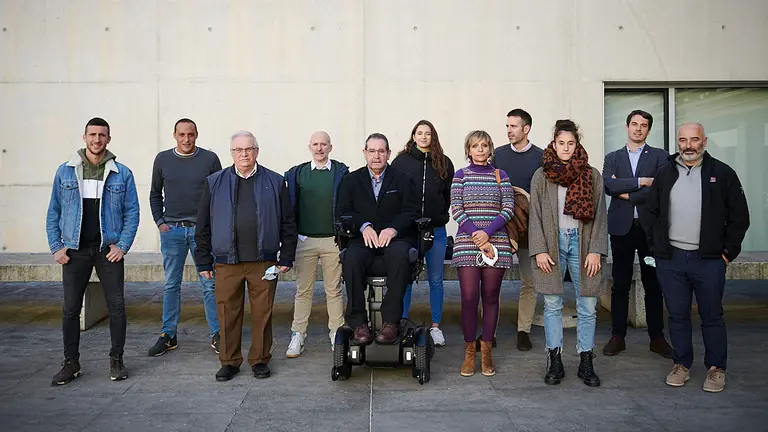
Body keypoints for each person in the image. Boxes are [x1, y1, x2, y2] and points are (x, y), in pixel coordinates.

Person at [642, 123, 749, 393]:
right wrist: (657, 249)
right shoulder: (665, 172)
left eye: (694, 139)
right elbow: (650, 212)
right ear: (677, 142)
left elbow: (739, 216)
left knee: (712, 315)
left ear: (704, 141)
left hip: (709, 260)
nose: (688, 145)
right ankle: (681, 364)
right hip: (672, 260)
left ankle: (716, 368)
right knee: (677, 315)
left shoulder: (722, 173)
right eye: (683, 140)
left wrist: (726, 254)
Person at [194, 130, 297, 382]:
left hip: (264, 261)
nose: (244, 154)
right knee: (227, 312)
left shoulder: (275, 181)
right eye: (238, 150)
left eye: (249, 149)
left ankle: (260, 359)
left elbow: (288, 221)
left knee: (263, 313)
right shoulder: (214, 182)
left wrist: (286, 256)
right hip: (226, 261)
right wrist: (203, 259)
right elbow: (203, 224)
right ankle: (229, 361)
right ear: (231, 153)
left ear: (257, 151)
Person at [46, 117, 140, 385]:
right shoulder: (65, 172)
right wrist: (57, 247)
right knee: (70, 309)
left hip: (107, 250)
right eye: (92, 135)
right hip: (74, 251)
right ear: (84, 137)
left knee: (117, 306)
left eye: (102, 135)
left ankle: (117, 360)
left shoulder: (122, 173)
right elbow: (54, 211)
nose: (97, 139)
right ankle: (71, 362)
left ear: (109, 138)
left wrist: (122, 246)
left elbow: (132, 213)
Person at [528, 119, 608, 387]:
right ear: (553, 144)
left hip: (583, 244)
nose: (565, 148)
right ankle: (555, 359)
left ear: (577, 144)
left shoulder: (592, 175)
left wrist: (595, 250)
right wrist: (539, 249)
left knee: (588, 304)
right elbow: (535, 215)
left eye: (570, 143)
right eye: (561, 143)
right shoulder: (541, 175)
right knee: (552, 304)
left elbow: (600, 214)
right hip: (552, 245)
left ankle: (586, 360)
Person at [148, 118, 223, 357]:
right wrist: (160, 223)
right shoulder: (162, 159)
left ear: (196, 134)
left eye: (190, 134)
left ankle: (218, 333)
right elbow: (155, 194)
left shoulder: (210, 159)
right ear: (175, 135)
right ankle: (168, 334)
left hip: (202, 232)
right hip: (173, 231)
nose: (186, 139)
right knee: (171, 284)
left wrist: (213, 227)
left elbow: (220, 194)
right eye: (182, 135)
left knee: (209, 284)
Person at [601, 110, 672, 358]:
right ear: (627, 126)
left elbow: (660, 188)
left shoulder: (661, 156)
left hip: (650, 230)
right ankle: (618, 336)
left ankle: (657, 337)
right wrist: (642, 180)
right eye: (634, 124)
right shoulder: (613, 157)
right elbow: (608, 185)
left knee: (653, 283)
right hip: (621, 228)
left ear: (649, 130)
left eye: (643, 125)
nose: (638, 129)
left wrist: (626, 192)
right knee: (620, 283)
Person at [337, 133, 420, 345]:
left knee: (400, 255)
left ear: (388, 153)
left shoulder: (403, 180)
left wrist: (393, 229)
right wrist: (363, 226)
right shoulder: (350, 180)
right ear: (364, 153)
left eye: (381, 151)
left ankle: (391, 322)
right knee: (351, 258)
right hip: (362, 240)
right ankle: (359, 323)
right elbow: (343, 212)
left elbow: (411, 211)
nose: (376, 156)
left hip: (395, 241)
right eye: (372, 151)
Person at [451, 130, 515, 378]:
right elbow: (456, 209)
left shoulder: (501, 175)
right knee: (469, 297)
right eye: (475, 145)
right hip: (467, 243)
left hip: (495, 242)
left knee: (490, 296)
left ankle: (486, 351)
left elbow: (508, 208)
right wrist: (476, 235)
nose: (480, 149)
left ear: (490, 149)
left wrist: (487, 233)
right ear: (468, 150)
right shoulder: (460, 175)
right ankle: (469, 353)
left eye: (484, 145)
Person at [284, 131, 349, 357]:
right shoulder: (298, 174)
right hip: (305, 241)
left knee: (334, 290)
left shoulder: (341, 173)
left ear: (330, 147)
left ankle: (336, 333)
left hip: (333, 241)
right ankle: (298, 334)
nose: (319, 148)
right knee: (303, 291)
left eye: (323, 144)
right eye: (315, 144)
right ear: (309, 147)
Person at [392, 120, 455, 346]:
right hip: (409, 231)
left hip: (435, 230)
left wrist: (439, 214)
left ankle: (436, 327)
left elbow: (448, 195)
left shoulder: (444, 162)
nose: (423, 137)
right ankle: (401, 322)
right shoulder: (401, 162)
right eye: (419, 133)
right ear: (413, 136)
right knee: (406, 278)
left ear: (433, 136)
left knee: (436, 280)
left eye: (427, 133)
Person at [493, 108, 544, 351]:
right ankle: (489, 331)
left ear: (527, 129)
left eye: (513, 126)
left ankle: (523, 330)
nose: (509, 131)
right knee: (492, 281)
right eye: (507, 126)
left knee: (529, 281)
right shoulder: (498, 155)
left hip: (529, 228)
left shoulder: (541, 157)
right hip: (501, 227)